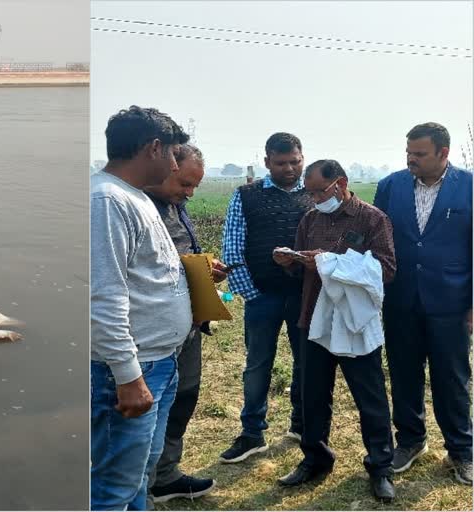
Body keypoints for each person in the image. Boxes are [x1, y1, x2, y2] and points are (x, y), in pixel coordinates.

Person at [275, 159, 396, 502]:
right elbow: (304, 269)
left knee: (369, 397)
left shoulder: (372, 219)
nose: (313, 199)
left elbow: (386, 269)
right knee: (312, 394)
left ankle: (381, 466)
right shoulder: (310, 219)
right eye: (308, 192)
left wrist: (331, 261)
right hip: (313, 318)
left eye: (318, 191)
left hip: (354, 323)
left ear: (340, 184)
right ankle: (315, 459)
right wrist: (292, 262)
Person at [91, 105, 191, 510]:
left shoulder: (133, 198)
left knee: (138, 476)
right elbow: (103, 296)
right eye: (171, 153)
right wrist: (128, 376)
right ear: (153, 148)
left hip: (159, 361)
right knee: (115, 486)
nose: (173, 163)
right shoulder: (107, 202)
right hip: (135, 369)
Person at [373, 122, 472, 485]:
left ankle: (462, 450)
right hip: (401, 300)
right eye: (408, 153)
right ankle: (411, 441)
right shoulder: (389, 187)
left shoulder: (470, 187)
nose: (411, 159)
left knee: (452, 378)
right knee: (403, 374)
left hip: (452, 301)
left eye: (420, 154)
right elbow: (378, 241)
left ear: (443, 153)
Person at [219, 132, 313, 463]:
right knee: (258, 365)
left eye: (295, 162)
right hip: (263, 297)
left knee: (306, 363)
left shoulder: (314, 195)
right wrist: (252, 293)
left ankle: (303, 426)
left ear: (303, 158)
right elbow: (232, 248)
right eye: (281, 163)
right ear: (266, 162)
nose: (289, 169)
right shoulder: (246, 195)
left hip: (305, 298)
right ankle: (252, 433)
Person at [143, 144, 227, 503]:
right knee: (149, 407)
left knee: (183, 396)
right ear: (165, 165)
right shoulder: (137, 209)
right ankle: (138, 484)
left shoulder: (175, 206)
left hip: (188, 322)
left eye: (195, 186)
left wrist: (205, 271)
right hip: (154, 332)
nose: (190, 193)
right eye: (185, 183)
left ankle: (165, 474)